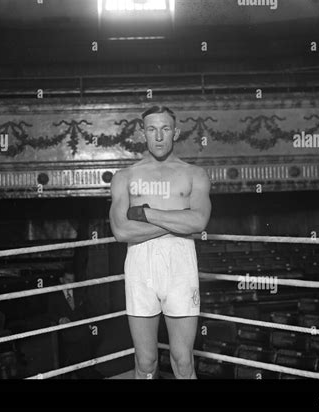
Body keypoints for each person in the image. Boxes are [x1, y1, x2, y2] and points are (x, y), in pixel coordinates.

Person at [109, 105, 211, 379]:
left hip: (180, 263)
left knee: (183, 361)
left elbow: (199, 222)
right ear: (142, 133)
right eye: (152, 129)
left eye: (165, 129)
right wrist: (176, 222)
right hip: (140, 265)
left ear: (175, 132)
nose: (158, 136)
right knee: (146, 362)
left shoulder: (195, 174)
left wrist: (146, 214)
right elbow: (121, 231)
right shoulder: (125, 177)